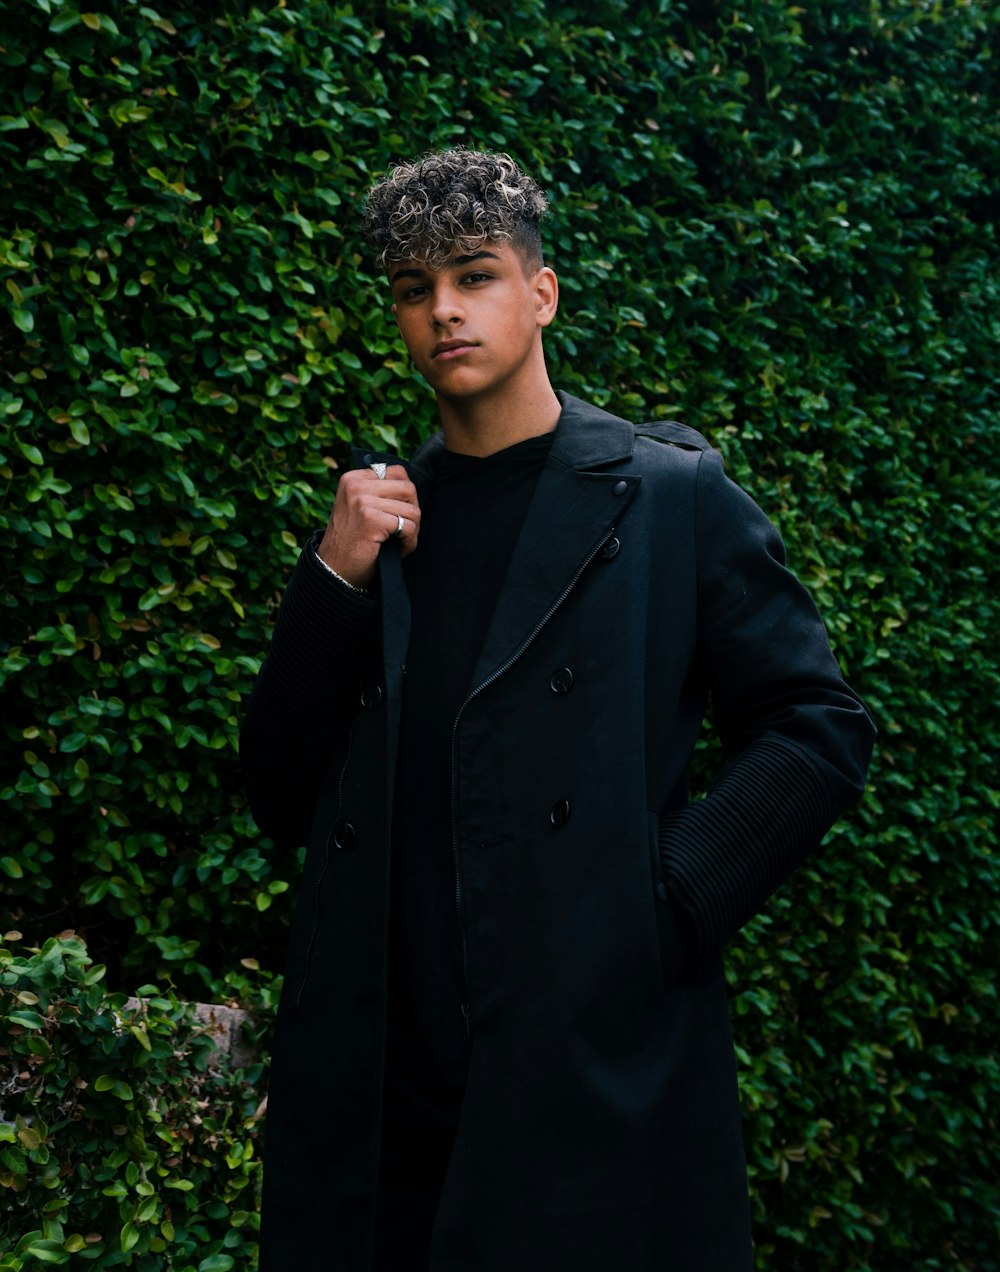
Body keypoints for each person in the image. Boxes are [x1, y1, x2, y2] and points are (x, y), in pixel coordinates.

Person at [240, 147, 876, 1271]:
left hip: (579, 1055)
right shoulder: (377, 525)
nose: (442, 310)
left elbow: (816, 726)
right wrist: (329, 582)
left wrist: (665, 899)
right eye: (412, 287)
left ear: (539, 294)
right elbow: (277, 790)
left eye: (473, 275)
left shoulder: (666, 495)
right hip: (381, 1076)